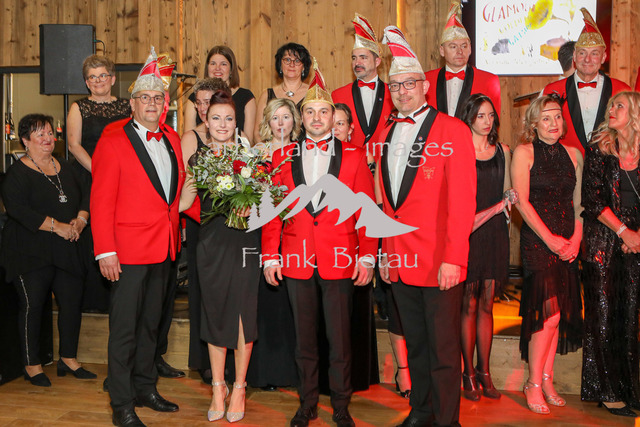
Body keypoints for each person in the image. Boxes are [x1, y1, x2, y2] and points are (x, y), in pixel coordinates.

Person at [262, 59, 376, 427]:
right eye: (309, 111)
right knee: (304, 341)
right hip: (296, 259)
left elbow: (366, 211)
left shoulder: (354, 157)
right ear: (302, 117)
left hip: (340, 258)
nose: (316, 118)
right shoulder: (281, 157)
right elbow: (273, 211)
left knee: (340, 341)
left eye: (323, 112)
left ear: (332, 116)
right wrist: (269, 256)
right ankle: (307, 403)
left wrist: (367, 258)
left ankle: (341, 406)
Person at [378, 26, 476, 427]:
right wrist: (385, 254)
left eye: (409, 84)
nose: (402, 91)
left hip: (439, 262)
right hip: (400, 262)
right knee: (416, 346)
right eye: (395, 85)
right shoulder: (386, 134)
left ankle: (447, 420)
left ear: (424, 86)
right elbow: (388, 205)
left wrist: (454, 259)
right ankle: (421, 412)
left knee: (443, 351)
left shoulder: (453, 131)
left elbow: (462, 203)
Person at [91, 48, 185, 426]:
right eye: (144, 97)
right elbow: (101, 201)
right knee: (125, 330)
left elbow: (174, 195)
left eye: (157, 98)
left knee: (150, 326)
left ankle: (146, 388)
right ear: (131, 103)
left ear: (164, 103)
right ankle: (121, 404)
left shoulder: (172, 138)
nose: (151, 103)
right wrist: (105, 251)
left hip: (164, 248)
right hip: (126, 252)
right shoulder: (113, 139)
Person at [0, 113, 95, 387]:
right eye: (40, 134)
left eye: (50, 133)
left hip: (66, 247)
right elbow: (18, 210)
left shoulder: (66, 167)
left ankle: (68, 359)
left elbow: (86, 197)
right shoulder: (16, 174)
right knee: (33, 305)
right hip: (29, 250)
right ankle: (32, 365)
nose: (47, 138)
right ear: (25, 140)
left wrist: (80, 220)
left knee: (71, 303)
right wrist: (58, 226)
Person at [188, 90, 262, 423]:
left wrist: (253, 205)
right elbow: (185, 203)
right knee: (216, 314)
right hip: (211, 245)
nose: (222, 124)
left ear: (236, 122)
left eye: (228, 118)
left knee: (244, 314)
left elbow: (269, 204)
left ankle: (240, 387)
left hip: (245, 243)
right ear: (205, 120)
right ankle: (218, 387)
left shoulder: (252, 158)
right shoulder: (198, 160)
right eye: (215, 118)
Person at [511, 95, 584, 415]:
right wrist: (551, 240)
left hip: (568, 244)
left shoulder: (574, 154)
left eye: (557, 116)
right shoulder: (524, 152)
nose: (553, 123)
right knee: (548, 315)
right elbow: (522, 202)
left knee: (558, 316)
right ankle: (533, 383)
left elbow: (580, 205)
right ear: (533, 124)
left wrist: (576, 240)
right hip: (538, 243)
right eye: (546, 118)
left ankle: (546, 378)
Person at [581, 91, 640, 417]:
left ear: (635, 114)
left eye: (620, 105)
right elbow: (592, 201)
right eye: (611, 105)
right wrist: (624, 232)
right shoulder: (598, 148)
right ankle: (608, 392)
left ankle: (631, 389)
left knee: (629, 318)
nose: (612, 110)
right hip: (603, 241)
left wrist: (636, 237)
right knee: (603, 317)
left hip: (636, 244)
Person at [458, 94, 514, 401]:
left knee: (487, 305)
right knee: (468, 303)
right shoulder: (458, 151)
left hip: (494, 234)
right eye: (481, 116)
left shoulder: (503, 151)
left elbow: (508, 190)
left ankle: (484, 371)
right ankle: (467, 372)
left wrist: (511, 197)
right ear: (468, 117)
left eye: (491, 115)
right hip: (466, 233)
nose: (487, 121)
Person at [66, 54, 131, 313]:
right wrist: (101, 170)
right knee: (91, 235)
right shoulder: (78, 107)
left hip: (124, 177)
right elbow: (74, 145)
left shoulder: (127, 106)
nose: (98, 81)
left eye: (103, 75)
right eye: (92, 77)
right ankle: (92, 303)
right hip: (88, 174)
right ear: (86, 82)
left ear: (112, 79)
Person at [246, 97, 301, 390]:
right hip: (263, 235)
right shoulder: (257, 153)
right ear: (267, 121)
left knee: (292, 304)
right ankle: (265, 373)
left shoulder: (302, 151)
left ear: (295, 120)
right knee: (265, 303)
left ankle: (293, 371)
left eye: (286, 117)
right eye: (275, 117)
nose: (281, 123)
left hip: (294, 234)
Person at [180, 77, 231, 385]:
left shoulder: (236, 139)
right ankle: (205, 360)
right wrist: (209, 217)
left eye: (208, 101)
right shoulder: (191, 138)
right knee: (203, 294)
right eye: (199, 102)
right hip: (203, 224)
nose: (203, 107)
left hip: (233, 230)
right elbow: (185, 189)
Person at [543, 8, 631, 155]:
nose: (587, 59)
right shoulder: (552, 91)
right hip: (566, 166)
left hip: (610, 166)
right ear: (574, 56)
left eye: (594, 53)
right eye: (582, 53)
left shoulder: (622, 90)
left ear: (603, 57)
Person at [424, 0, 501, 119]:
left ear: (470, 49)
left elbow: (493, 122)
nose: (460, 51)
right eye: (453, 46)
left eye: (464, 46)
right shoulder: (426, 80)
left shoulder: (489, 81)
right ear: (442, 51)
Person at [331, 14, 393, 156]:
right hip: (350, 161)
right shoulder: (338, 95)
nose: (357, 63)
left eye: (363, 58)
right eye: (354, 58)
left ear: (377, 61)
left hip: (383, 161)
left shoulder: (393, 93)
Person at [183, 46, 256, 143]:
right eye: (213, 63)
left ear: (231, 69)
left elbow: (248, 141)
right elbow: (188, 138)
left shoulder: (246, 97)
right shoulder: (194, 97)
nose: (217, 68)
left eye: (223, 64)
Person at [253, 43, 311, 141]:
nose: (292, 64)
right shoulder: (267, 94)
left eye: (297, 61)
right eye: (287, 60)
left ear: (304, 67)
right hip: (272, 149)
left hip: (306, 149)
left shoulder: (313, 93)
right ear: (280, 65)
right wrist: (268, 149)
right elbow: (257, 133)